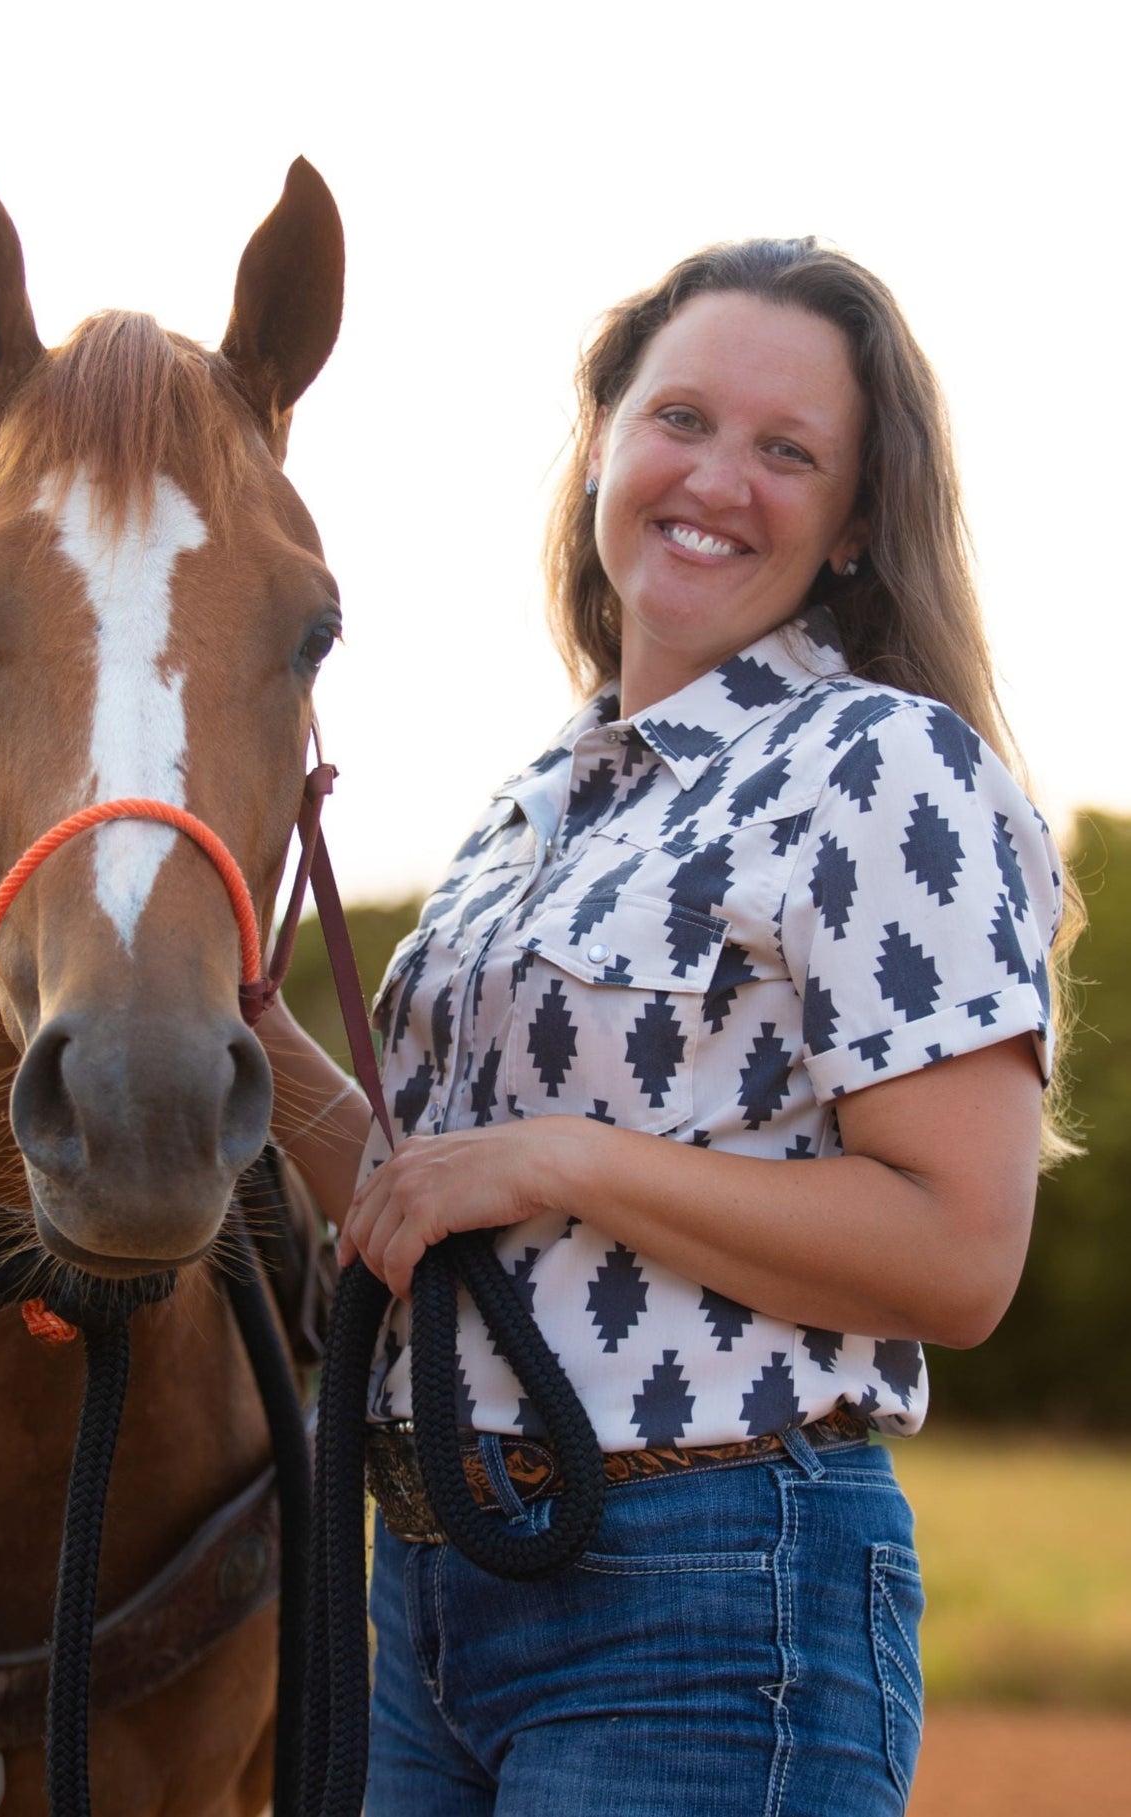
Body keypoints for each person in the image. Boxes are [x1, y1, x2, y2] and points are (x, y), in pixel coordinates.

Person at [259, 237, 1075, 1816]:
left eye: (788, 452)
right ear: (603, 453)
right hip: (425, 1592)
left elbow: (958, 1254)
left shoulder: (881, 763)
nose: (718, 476)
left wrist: (567, 1155)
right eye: (679, 418)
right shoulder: (532, 805)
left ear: (849, 527)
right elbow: (432, 1191)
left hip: (703, 1594)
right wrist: (230, 1011)